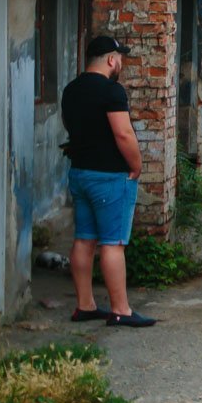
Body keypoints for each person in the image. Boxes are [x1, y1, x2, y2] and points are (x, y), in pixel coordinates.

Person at [60, 35, 155, 327]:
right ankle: (120, 310)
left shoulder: (71, 90)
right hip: (109, 176)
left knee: (84, 239)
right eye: (120, 58)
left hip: (80, 172)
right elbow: (123, 133)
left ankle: (85, 305)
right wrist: (136, 165)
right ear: (111, 59)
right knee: (113, 243)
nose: (121, 63)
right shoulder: (111, 91)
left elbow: (71, 127)